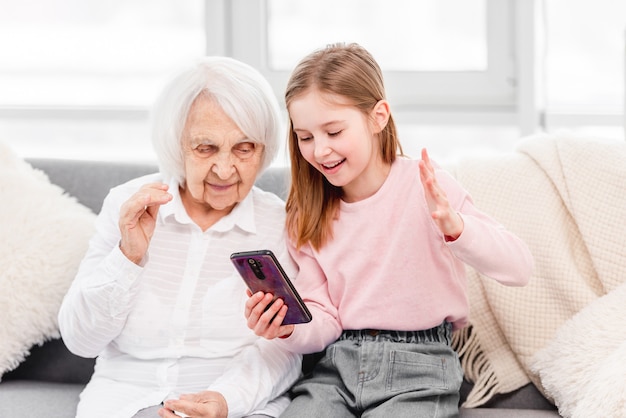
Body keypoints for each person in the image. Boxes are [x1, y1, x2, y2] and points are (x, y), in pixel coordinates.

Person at [244, 43, 534, 417]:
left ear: (378, 116)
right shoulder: (307, 212)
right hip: (336, 370)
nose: (319, 151)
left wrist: (455, 227)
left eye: (333, 131)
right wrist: (287, 327)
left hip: (422, 367)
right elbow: (325, 317)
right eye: (305, 137)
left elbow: (519, 267)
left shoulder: (427, 187)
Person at [58, 56, 302, 418]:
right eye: (206, 148)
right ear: (176, 144)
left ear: (263, 148)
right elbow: (80, 340)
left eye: (244, 147)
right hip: (126, 397)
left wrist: (225, 401)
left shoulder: (278, 223)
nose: (224, 169)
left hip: (235, 403)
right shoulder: (129, 205)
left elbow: (284, 350)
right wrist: (128, 258)